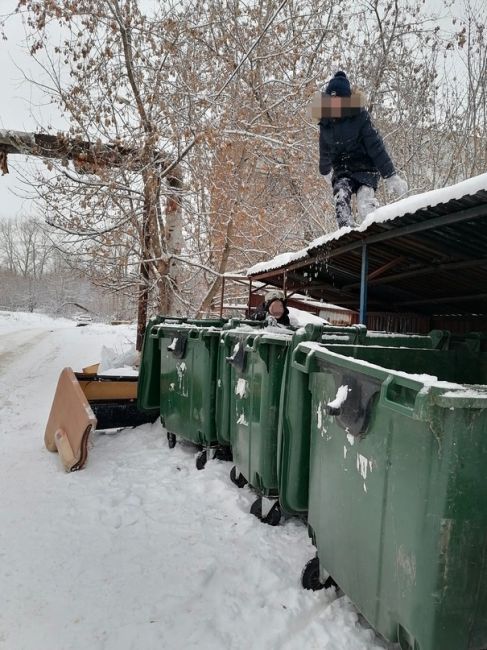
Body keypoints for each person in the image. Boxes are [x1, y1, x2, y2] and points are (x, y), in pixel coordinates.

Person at [317, 70, 408, 229]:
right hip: (342, 169)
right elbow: (324, 149)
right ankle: (345, 229)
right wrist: (325, 170)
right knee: (341, 194)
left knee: (364, 201)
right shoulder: (326, 123)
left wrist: (390, 175)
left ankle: (373, 227)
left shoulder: (360, 116)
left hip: (365, 167)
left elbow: (376, 146)